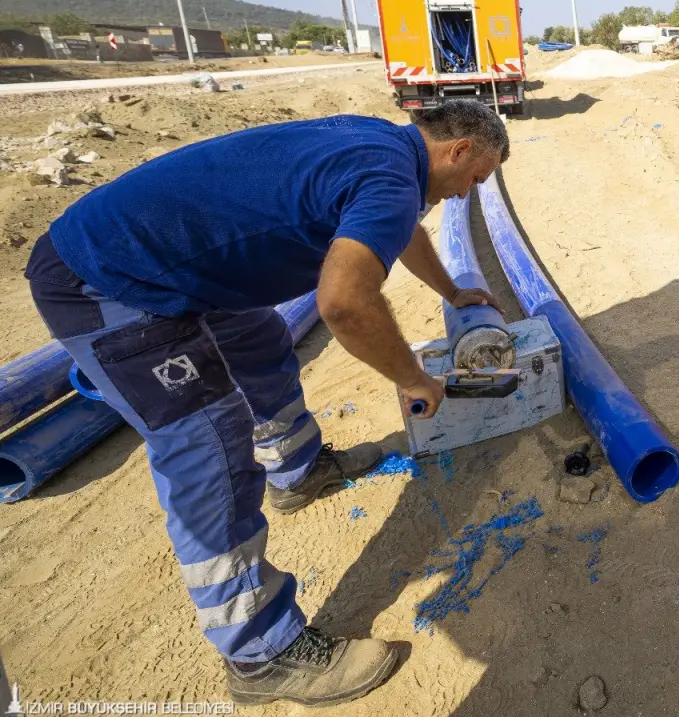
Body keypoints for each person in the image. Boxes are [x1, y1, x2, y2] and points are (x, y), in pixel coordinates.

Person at [23, 100, 509, 707]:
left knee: (259, 339)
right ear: (458, 150)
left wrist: (453, 291)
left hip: (165, 261)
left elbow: (401, 228)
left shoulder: (385, 147)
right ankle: (260, 653)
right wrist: (413, 379)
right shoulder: (389, 179)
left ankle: (298, 473)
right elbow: (343, 303)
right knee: (208, 443)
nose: (467, 194)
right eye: (475, 179)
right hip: (105, 278)